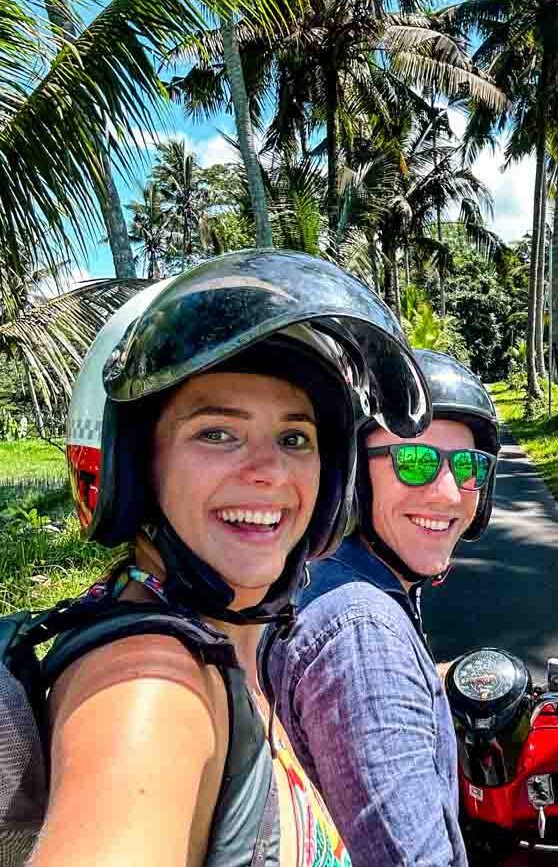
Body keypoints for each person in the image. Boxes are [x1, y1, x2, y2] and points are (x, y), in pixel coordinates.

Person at [35, 250, 431, 867]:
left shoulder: (220, 644)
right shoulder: (148, 690)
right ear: (133, 469)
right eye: (217, 433)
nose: (270, 471)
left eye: (294, 438)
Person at [265, 350, 500, 867]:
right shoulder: (363, 634)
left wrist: (435, 678)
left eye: (468, 466)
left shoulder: (324, 573)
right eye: (413, 462)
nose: (447, 495)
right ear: (353, 474)